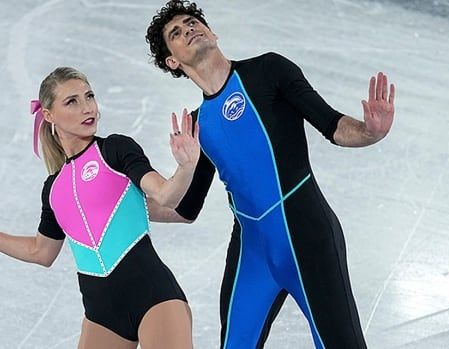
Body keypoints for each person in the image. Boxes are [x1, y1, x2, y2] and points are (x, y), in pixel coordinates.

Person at [145, 1, 396, 348]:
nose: (189, 28)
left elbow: (331, 124)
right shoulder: (196, 125)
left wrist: (370, 132)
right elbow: (184, 208)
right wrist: (116, 209)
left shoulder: (269, 70)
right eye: (177, 32)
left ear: (212, 32)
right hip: (252, 253)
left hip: (309, 240)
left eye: (193, 22)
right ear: (172, 62)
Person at [0, 66, 200, 349]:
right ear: (48, 115)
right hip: (101, 316)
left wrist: (186, 167)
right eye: (72, 101)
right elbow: (41, 252)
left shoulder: (116, 150)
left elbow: (166, 195)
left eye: (89, 96)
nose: (88, 108)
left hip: (154, 299)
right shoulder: (53, 189)